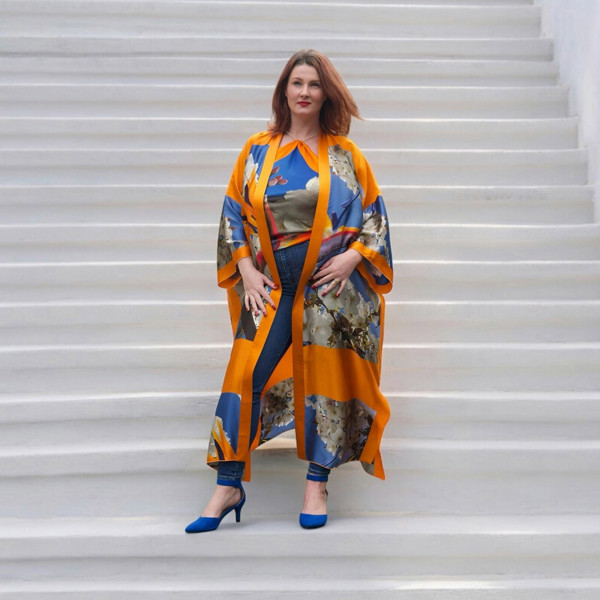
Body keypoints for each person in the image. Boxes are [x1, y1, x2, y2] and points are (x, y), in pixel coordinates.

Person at [185, 49, 393, 533]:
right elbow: (233, 211)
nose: (304, 92)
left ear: (326, 94)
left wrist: (354, 256)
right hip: (271, 288)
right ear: (284, 91)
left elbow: (375, 218)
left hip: (328, 294)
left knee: (326, 384)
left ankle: (317, 482)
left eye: (314, 85)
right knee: (245, 374)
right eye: (296, 83)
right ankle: (229, 484)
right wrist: (245, 268)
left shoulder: (345, 154)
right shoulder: (258, 149)